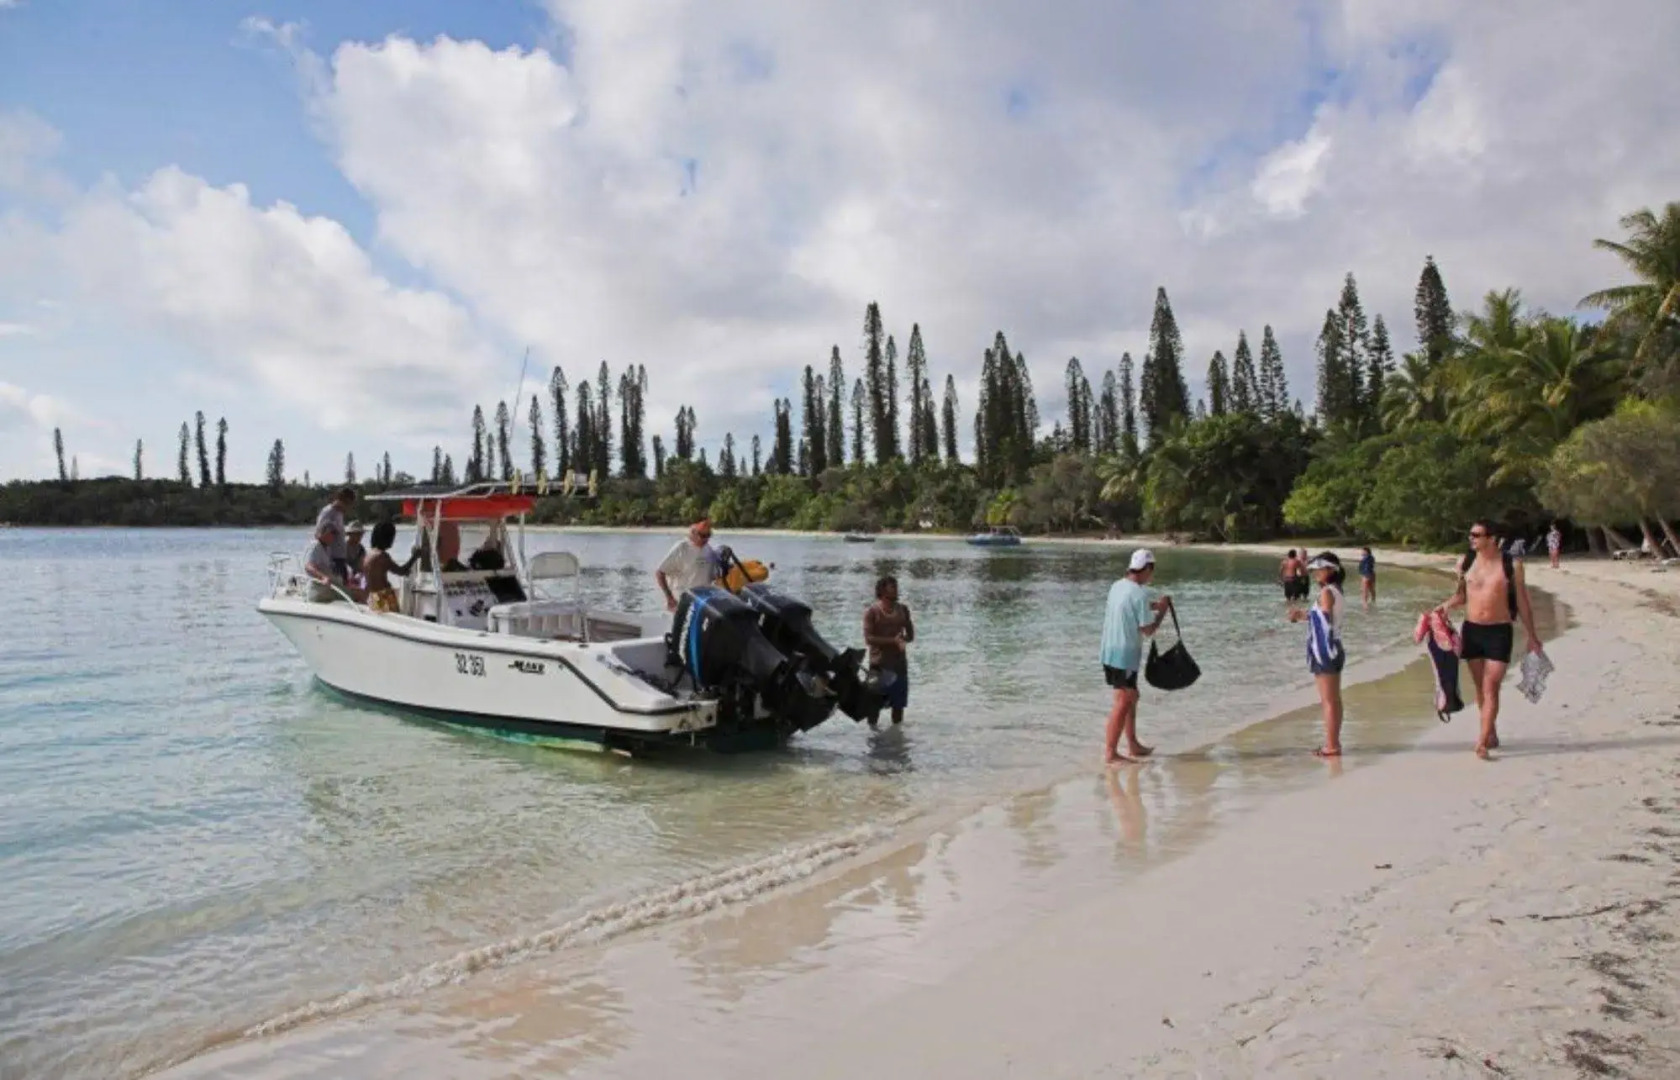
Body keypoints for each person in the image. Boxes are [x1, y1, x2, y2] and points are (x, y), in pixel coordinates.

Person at [1436, 519, 1544, 759]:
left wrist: (1533, 636)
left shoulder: (1511, 565)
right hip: (1472, 630)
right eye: (1470, 534)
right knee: (1480, 688)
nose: (1471, 538)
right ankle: (1490, 731)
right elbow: (1461, 597)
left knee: (1491, 686)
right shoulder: (1465, 563)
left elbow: (1523, 603)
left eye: (1476, 534)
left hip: (1499, 631)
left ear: (1492, 538)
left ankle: (1481, 742)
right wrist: (1440, 609)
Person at [1099, 549, 1173, 765]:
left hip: (1108, 650)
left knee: (1132, 696)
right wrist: (1162, 612)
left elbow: (1128, 606)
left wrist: (1153, 606)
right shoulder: (1140, 594)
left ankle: (1132, 744)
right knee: (1123, 701)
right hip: (1124, 655)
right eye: (1152, 570)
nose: (1152, 575)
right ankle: (1111, 753)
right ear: (1147, 568)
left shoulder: (1117, 586)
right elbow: (1148, 630)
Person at [1288, 552, 1346, 758]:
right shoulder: (1336, 590)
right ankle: (1333, 743)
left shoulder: (1326, 593)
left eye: (1318, 570)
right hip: (1336, 647)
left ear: (1330, 570)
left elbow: (1325, 620)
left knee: (1328, 701)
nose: (1315, 574)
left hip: (1325, 650)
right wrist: (1304, 616)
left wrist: (1305, 616)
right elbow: (1323, 617)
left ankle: (1331, 746)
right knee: (1334, 700)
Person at [862, 575, 915, 727]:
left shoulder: (903, 609)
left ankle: (897, 743)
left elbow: (910, 634)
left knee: (898, 709)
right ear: (882, 591)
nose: (897, 590)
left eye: (897, 586)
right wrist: (893, 641)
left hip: (899, 666)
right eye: (893, 587)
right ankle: (872, 740)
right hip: (878, 666)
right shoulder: (872, 612)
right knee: (873, 709)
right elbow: (868, 639)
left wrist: (904, 639)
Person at [656, 518, 724, 611]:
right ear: (694, 534)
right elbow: (660, 573)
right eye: (702, 535)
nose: (705, 539)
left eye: (708, 535)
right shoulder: (681, 547)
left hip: (702, 601)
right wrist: (669, 598)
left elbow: (714, 576)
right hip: (681, 601)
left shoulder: (709, 549)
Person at [304, 521, 365, 604]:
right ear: (323, 533)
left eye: (335, 533)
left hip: (333, 584)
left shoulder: (329, 548)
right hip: (320, 586)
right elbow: (308, 566)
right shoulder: (316, 546)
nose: (335, 536)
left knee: (359, 592)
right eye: (332, 533)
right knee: (358, 594)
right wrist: (323, 577)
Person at [363, 521, 415, 613]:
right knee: (395, 622)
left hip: (372, 596)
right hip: (384, 596)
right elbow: (401, 571)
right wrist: (415, 557)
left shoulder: (368, 555)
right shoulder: (382, 556)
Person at [316, 487, 357, 580]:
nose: (350, 508)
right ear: (343, 500)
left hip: (340, 558)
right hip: (332, 559)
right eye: (350, 504)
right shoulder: (329, 513)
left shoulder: (339, 513)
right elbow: (319, 535)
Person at [343, 521, 368, 585]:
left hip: (356, 575)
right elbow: (340, 563)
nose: (360, 536)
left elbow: (363, 566)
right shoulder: (342, 547)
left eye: (360, 534)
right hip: (344, 574)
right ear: (350, 534)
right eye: (357, 534)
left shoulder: (361, 549)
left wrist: (361, 574)